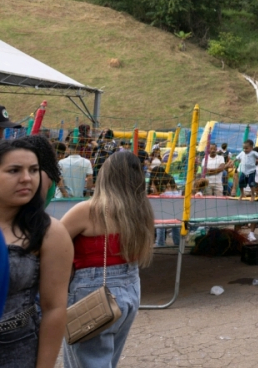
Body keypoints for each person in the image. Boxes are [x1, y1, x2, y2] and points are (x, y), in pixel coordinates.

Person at [61, 150, 154, 367]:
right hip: (130, 289)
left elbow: (52, 243)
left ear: (105, 176)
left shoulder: (89, 210)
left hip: (93, 289)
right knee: (106, 360)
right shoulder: (142, 212)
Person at [0, 137, 73, 368]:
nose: (26, 178)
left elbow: (54, 309)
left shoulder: (50, 232)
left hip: (17, 350)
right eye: (14, 170)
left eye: (33, 170)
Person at [155, 177, 182, 248]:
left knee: (160, 226)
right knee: (176, 227)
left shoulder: (162, 195)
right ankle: (178, 242)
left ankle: (160, 243)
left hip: (164, 217)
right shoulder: (179, 193)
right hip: (176, 216)